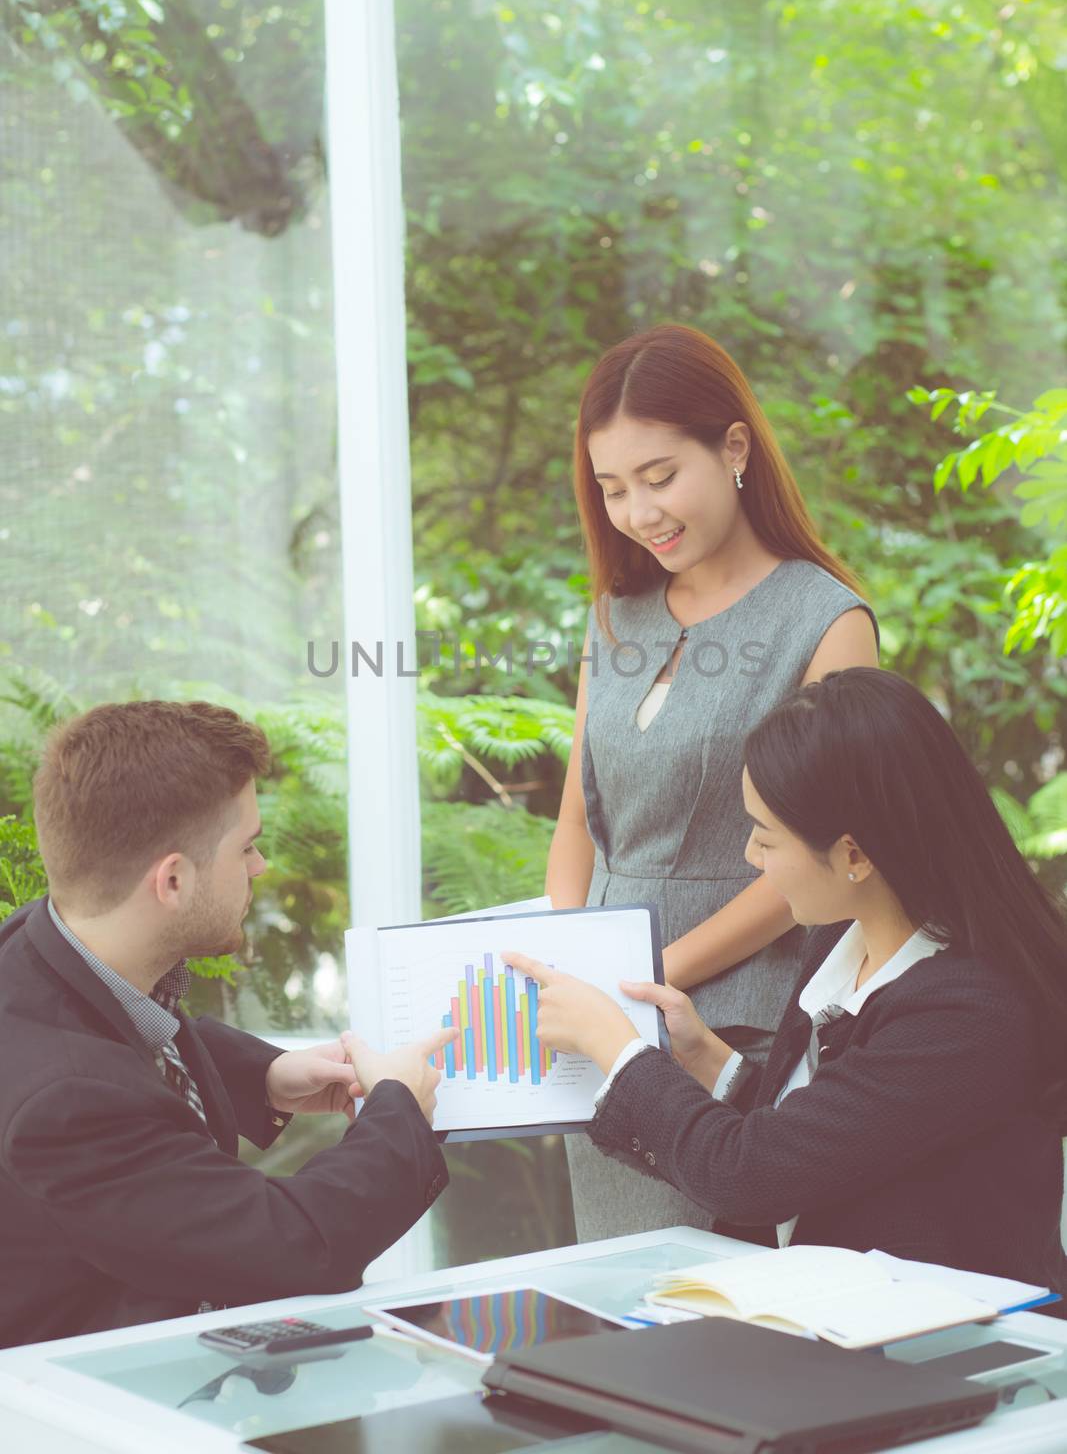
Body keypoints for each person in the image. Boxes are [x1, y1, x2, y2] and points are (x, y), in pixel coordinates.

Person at [509, 668, 1067, 1297]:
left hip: (952, 1354)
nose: (752, 856)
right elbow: (828, 1142)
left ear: (855, 856)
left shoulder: (968, 1010)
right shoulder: (841, 939)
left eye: (767, 836)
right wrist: (709, 1062)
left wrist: (618, 1051)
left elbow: (753, 1178)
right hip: (838, 1331)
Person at [548, 323, 879, 1239]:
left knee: (713, 1310)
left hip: (733, 1024)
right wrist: (576, 961)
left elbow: (814, 864)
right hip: (607, 1020)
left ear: (733, 448)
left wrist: (643, 980)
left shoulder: (825, 621)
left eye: (658, 478)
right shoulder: (614, 615)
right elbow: (578, 816)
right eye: (611, 489)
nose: (637, 512)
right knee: (615, 1302)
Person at [0, 700, 455, 1347]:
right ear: (174, 880)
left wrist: (265, 1075)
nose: (260, 867)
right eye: (245, 847)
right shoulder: (64, 1107)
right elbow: (297, 1248)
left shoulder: (35, 946)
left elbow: (121, 1032)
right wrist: (398, 1106)